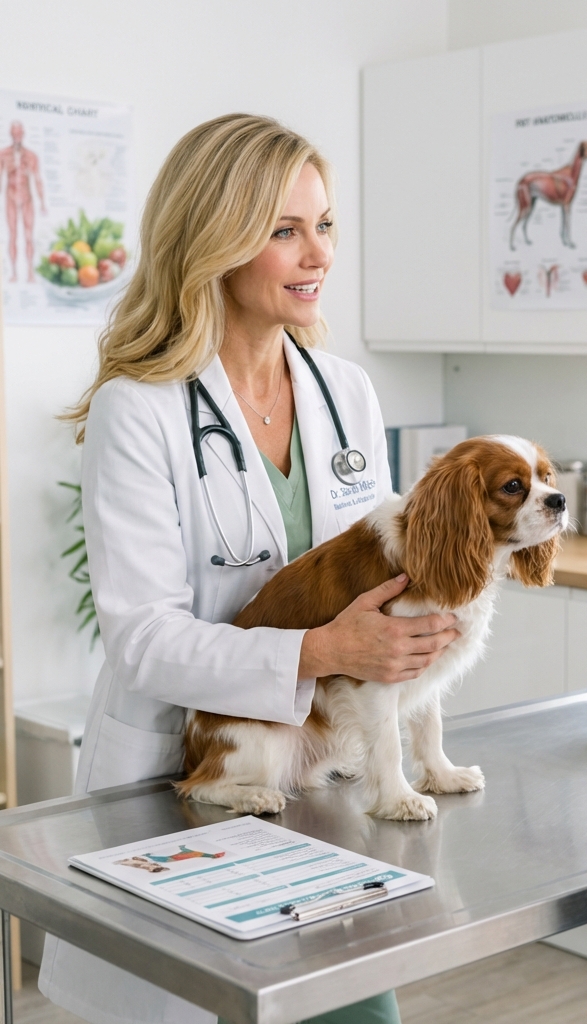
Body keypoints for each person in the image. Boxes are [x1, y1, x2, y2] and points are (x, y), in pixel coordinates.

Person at [38, 113, 460, 1024]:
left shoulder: (344, 392)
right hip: (183, 788)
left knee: (350, 1004)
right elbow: (145, 639)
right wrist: (315, 651)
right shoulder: (138, 410)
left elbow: (379, 568)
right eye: (285, 230)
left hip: (319, 781)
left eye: (326, 224)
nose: (319, 254)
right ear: (215, 242)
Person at [0, 120, 46, 282]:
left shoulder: (31, 156)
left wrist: (42, 202)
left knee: (28, 235)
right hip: (11, 196)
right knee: (12, 235)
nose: (17, 136)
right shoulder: (3, 154)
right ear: (11, 134)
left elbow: (37, 179)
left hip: (27, 198)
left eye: (19, 133)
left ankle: (29, 272)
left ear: (23, 134)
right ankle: (13, 272)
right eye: (14, 133)